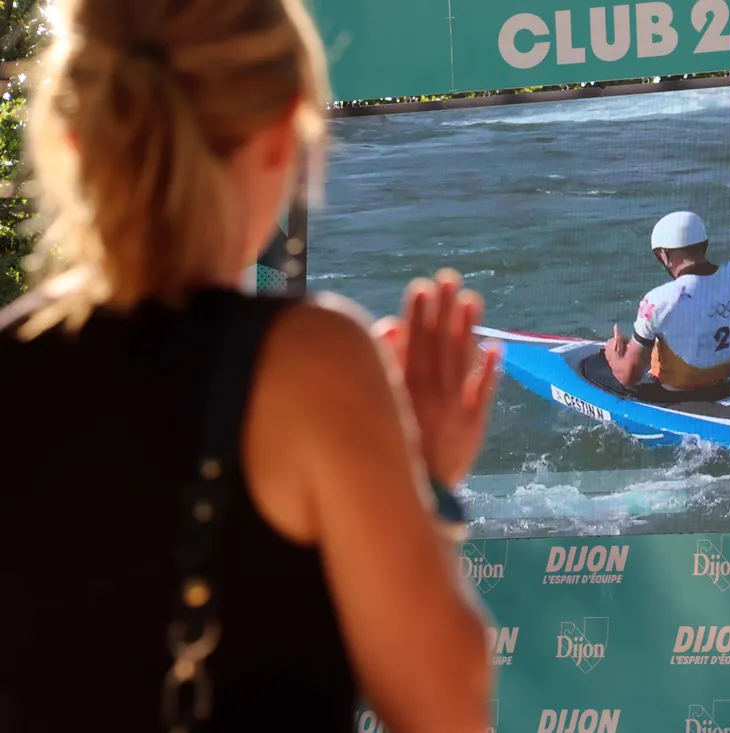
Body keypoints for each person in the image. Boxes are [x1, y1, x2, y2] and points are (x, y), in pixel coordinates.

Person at [0, 1, 498, 732]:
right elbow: (446, 709)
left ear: (74, 138)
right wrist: (428, 485)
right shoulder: (313, 362)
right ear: (284, 133)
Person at [605, 155, 730, 392]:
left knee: (633, 353)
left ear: (665, 256)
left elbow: (628, 376)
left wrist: (611, 354)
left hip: (673, 393)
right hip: (722, 381)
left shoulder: (659, 300)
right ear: (703, 245)